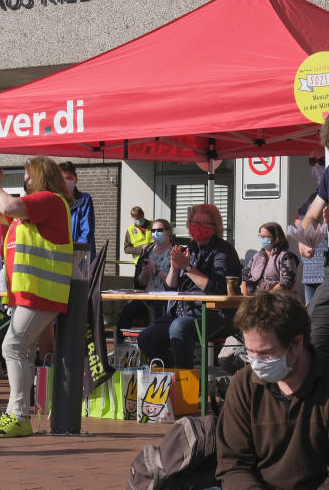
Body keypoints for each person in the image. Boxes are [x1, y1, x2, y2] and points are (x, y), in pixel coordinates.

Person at [0, 156, 73, 437]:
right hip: (30, 292)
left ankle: (18, 415)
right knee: (23, 351)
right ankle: (17, 413)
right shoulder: (37, 207)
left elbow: (7, 205)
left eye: (28, 175)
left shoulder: (49, 200)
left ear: (41, 177)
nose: (25, 180)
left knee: (13, 347)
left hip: (41, 292)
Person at [215, 291, 329, 489]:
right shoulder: (244, 384)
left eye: (266, 353)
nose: (257, 362)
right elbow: (233, 465)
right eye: (250, 351)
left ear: (296, 343)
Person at [137, 204, 241, 368]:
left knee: (179, 328)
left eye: (204, 224)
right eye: (194, 223)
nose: (198, 227)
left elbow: (217, 289)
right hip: (182, 311)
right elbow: (171, 286)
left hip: (213, 314)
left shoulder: (223, 251)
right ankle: (173, 376)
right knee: (146, 337)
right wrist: (174, 266)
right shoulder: (190, 249)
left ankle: (185, 385)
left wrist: (188, 268)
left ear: (215, 227)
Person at [116, 219, 174, 338]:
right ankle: (120, 345)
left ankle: (155, 347)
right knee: (128, 309)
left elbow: (175, 282)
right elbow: (140, 283)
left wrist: (156, 272)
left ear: (168, 232)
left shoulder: (175, 251)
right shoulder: (147, 251)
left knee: (158, 309)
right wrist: (144, 272)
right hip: (147, 297)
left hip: (167, 298)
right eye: (153, 230)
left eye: (159, 230)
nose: (155, 233)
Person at [296, 149, 326, 304]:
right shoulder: (313, 197)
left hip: (324, 269)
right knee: (311, 317)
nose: (315, 167)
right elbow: (300, 219)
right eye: (311, 162)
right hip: (310, 270)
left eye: (320, 161)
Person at [242, 222, 299, 297]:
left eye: (267, 237)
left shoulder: (286, 257)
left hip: (279, 301)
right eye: (261, 237)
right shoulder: (256, 257)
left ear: (276, 237)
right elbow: (245, 277)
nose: (263, 240)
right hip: (254, 301)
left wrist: (266, 298)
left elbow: (286, 281)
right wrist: (246, 299)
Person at [57, 161, 95, 262]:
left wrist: (74, 257)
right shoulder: (55, 201)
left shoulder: (84, 200)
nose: (65, 182)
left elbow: (86, 233)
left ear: (75, 179)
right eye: (62, 179)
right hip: (60, 259)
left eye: (69, 178)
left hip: (81, 260)